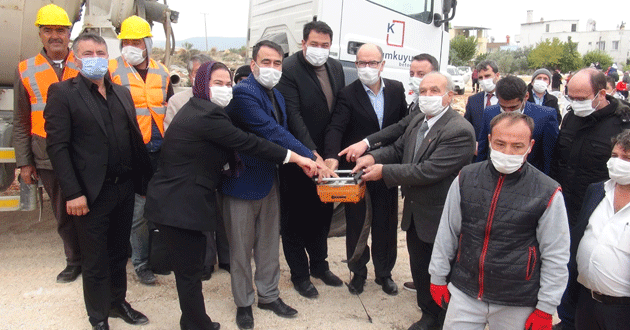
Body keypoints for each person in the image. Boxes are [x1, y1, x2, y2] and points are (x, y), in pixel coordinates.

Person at [144, 61, 318, 330]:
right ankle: (213, 316)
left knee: (190, 272)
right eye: (218, 83)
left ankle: (198, 320)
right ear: (202, 84)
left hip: (184, 200)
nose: (226, 89)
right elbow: (249, 142)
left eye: (228, 84)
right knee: (192, 271)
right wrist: (297, 157)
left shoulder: (205, 109)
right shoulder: (206, 114)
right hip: (179, 203)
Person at [44, 33, 153, 330]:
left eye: (101, 52)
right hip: (90, 194)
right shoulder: (63, 93)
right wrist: (73, 193)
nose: (96, 58)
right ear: (76, 59)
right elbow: (57, 146)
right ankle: (98, 316)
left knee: (120, 253)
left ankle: (117, 302)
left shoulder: (121, 93)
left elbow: (133, 140)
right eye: (88, 53)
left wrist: (144, 182)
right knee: (94, 261)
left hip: (124, 188)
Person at [353, 72, 476, 330]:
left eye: (434, 90)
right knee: (420, 267)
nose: (428, 96)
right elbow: (399, 149)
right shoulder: (419, 118)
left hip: (440, 214)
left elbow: (427, 170)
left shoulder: (459, 130)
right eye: (423, 91)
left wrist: (384, 171)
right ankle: (428, 315)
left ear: (449, 96)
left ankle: (445, 320)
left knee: (442, 271)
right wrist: (373, 158)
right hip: (415, 213)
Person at [428, 111, 570, 330]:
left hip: (517, 300)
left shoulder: (547, 191)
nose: (507, 152)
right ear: (489, 140)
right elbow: (448, 231)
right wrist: (437, 277)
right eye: (500, 144)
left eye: (517, 146)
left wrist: (546, 307)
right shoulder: (465, 177)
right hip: (465, 291)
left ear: (530, 146)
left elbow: (556, 254)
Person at [221, 40, 317, 330]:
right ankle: (243, 303)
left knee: (267, 244)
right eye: (266, 62)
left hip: (269, 181)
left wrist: (309, 154)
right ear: (253, 65)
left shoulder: (276, 95)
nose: (272, 68)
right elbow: (270, 131)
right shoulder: (242, 94)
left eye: (277, 63)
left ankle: (269, 295)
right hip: (241, 182)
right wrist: (307, 157)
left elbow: (285, 129)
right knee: (240, 248)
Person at [323, 43, 407, 295]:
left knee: (386, 222)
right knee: (357, 223)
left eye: (372, 63)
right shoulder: (347, 94)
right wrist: (331, 156)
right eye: (361, 63)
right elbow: (336, 127)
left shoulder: (396, 89)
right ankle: (358, 272)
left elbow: (402, 126)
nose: (367, 68)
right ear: (356, 64)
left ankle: (384, 273)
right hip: (356, 171)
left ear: (382, 65)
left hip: (386, 167)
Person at [553, 68, 630, 330]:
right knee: (572, 269)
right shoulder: (571, 118)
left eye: (581, 97)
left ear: (601, 94)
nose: (575, 102)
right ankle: (567, 320)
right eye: (570, 96)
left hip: (604, 210)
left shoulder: (623, 122)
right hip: (570, 208)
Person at [275, 20, 344, 299]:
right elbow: (293, 117)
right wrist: (311, 154)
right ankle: (300, 275)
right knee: (294, 220)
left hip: (325, 157)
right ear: (303, 43)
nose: (319, 50)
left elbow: (337, 113)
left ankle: (319, 266)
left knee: (321, 215)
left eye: (325, 45)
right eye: (314, 44)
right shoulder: (289, 69)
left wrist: (329, 155)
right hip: (298, 159)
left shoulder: (336, 67)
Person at [13, 3, 82, 283]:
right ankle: (74, 260)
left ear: (69, 33)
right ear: (40, 34)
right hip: (47, 156)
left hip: (83, 152)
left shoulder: (84, 64)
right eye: (48, 30)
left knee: (91, 208)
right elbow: (21, 121)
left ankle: (94, 258)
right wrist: (25, 162)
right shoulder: (26, 69)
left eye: (61, 30)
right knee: (62, 212)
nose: (55, 35)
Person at [108, 15, 174, 285]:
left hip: (160, 150)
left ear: (147, 43)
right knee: (137, 211)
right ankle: (140, 263)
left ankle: (160, 257)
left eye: (136, 41)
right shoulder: (111, 69)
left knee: (162, 206)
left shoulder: (162, 71)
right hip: (131, 151)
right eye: (126, 41)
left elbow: (169, 108)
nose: (131, 46)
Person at [163, 54, 230, 280]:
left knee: (223, 214)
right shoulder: (179, 102)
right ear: (193, 76)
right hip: (196, 171)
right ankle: (206, 261)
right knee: (201, 219)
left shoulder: (225, 98)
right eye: (197, 73)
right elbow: (172, 138)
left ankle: (227, 257)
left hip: (225, 168)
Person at [571, 130, 630, 330]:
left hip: (621, 311)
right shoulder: (597, 191)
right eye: (615, 156)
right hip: (585, 302)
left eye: (627, 158)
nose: (618, 162)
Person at [336, 53, 440, 163]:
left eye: (421, 74)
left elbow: (402, 126)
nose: (415, 78)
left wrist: (366, 143)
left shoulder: (429, 106)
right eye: (412, 74)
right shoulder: (415, 102)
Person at [476, 75, 559, 175]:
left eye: (513, 107)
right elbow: (483, 150)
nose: (507, 112)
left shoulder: (545, 116)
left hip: (529, 178)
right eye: (503, 107)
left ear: (526, 97)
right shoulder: (489, 112)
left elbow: (549, 157)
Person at [164, 54, 213, 131]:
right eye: (198, 72)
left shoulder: (221, 98)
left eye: (208, 71)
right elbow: (169, 133)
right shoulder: (177, 101)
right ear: (190, 76)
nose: (203, 75)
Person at [464, 60, 500, 143]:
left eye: (487, 76)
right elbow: (467, 127)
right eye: (480, 78)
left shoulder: (507, 98)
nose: (484, 80)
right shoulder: (473, 100)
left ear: (497, 75)